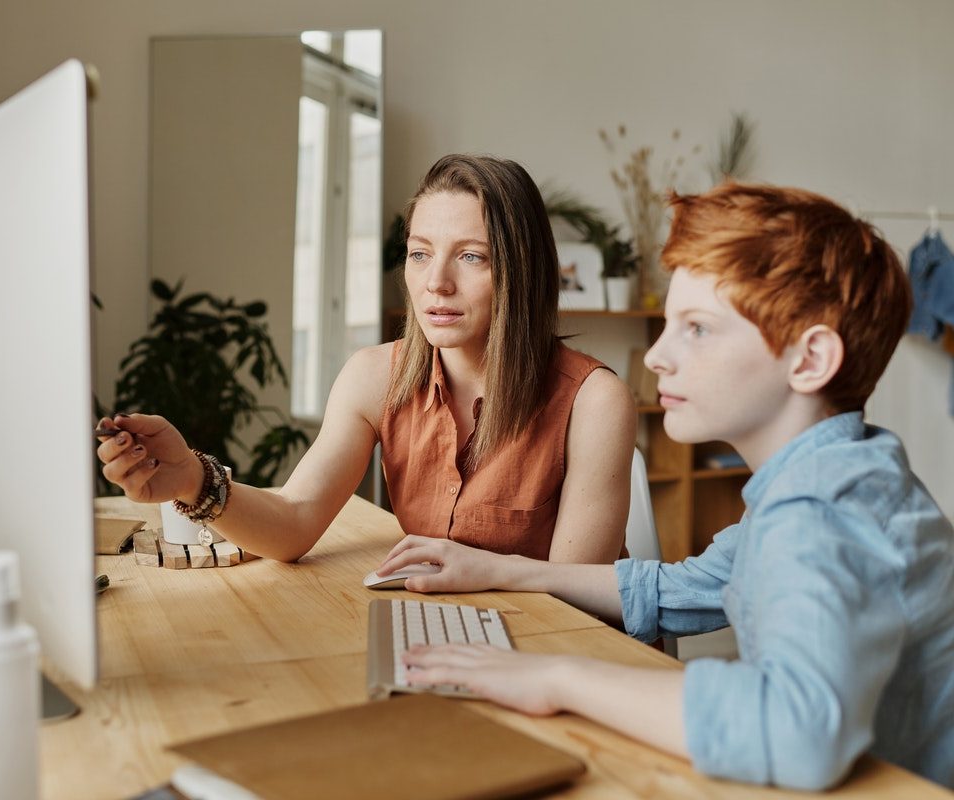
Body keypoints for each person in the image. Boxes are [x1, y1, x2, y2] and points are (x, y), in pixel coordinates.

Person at [383, 183, 954, 790]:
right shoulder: (835, 472)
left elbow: (796, 732)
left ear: (810, 360)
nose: (656, 356)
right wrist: (499, 569)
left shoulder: (822, 509)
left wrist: (557, 679)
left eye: (698, 329)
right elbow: (687, 587)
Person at [96, 154, 636, 564]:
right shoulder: (375, 376)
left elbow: (574, 600)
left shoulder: (594, 401)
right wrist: (192, 478)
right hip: (449, 636)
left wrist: (471, 575)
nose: (436, 283)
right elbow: (294, 521)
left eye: (471, 257)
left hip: (558, 656)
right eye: (420, 253)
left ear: (523, 272)